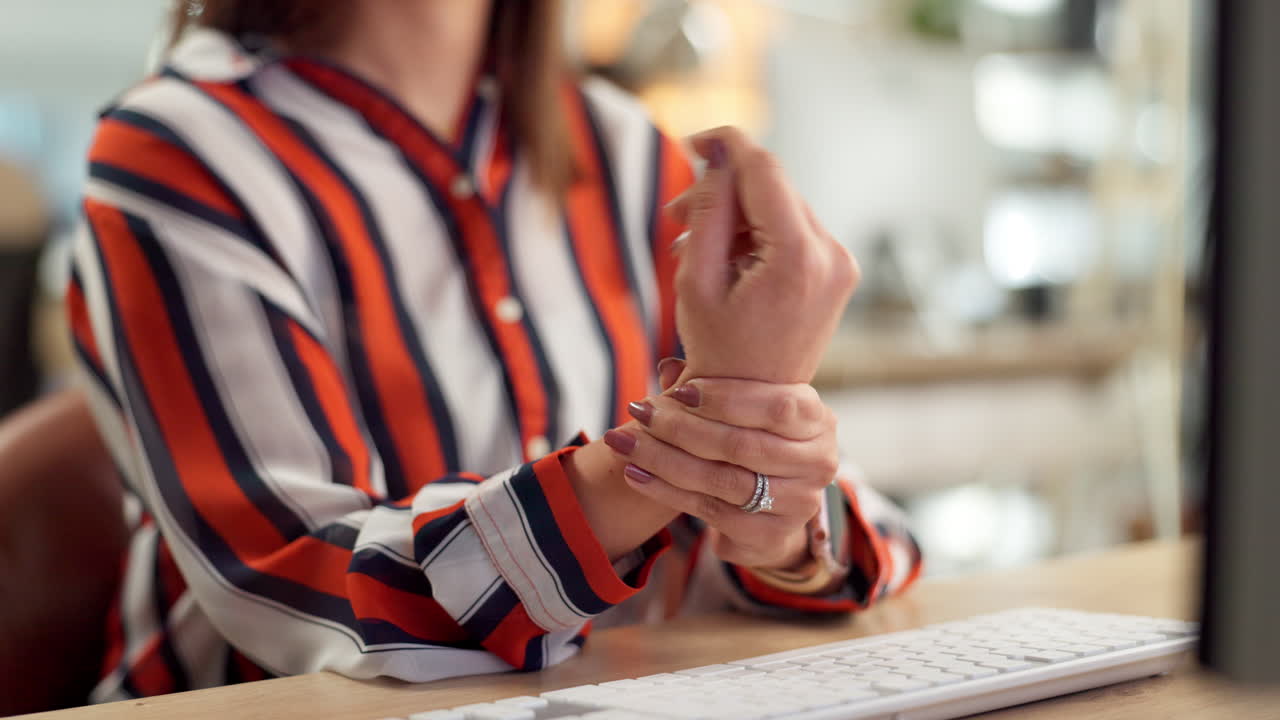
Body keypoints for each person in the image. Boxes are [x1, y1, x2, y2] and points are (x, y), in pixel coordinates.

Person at [65, 0, 922, 702]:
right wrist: (716, 430)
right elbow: (292, 584)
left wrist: (771, 516)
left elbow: (855, 538)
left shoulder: (625, 148)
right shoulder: (179, 151)